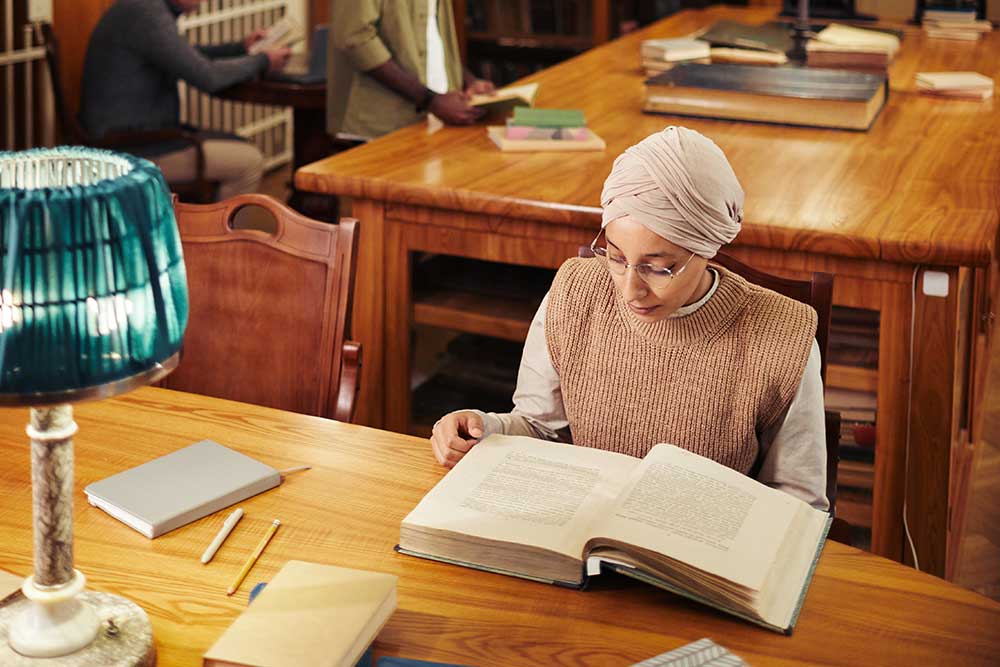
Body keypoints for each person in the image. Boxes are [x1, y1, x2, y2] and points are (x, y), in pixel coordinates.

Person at [430, 126, 829, 511]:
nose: (629, 290)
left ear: (707, 249)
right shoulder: (575, 292)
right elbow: (538, 429)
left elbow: (799, 501)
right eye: (617, 257)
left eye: (658, 268)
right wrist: (482, 429)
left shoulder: (784, 337)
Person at [79, 0, 292, 200]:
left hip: (132, 138)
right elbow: (209, 77)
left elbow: (186, 57)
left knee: (239, 146)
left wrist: (240, 48)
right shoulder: (146, 13)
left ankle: (206, 232)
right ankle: (217, 238)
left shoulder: (142, 7)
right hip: (130, 150)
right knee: (249, 161)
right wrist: (263, 60)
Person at [328, 0, 496, 141]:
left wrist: (468, 81)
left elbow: (432, 35)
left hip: (434, 121)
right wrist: (431, 100)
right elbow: (356, 40)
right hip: (378, 129)